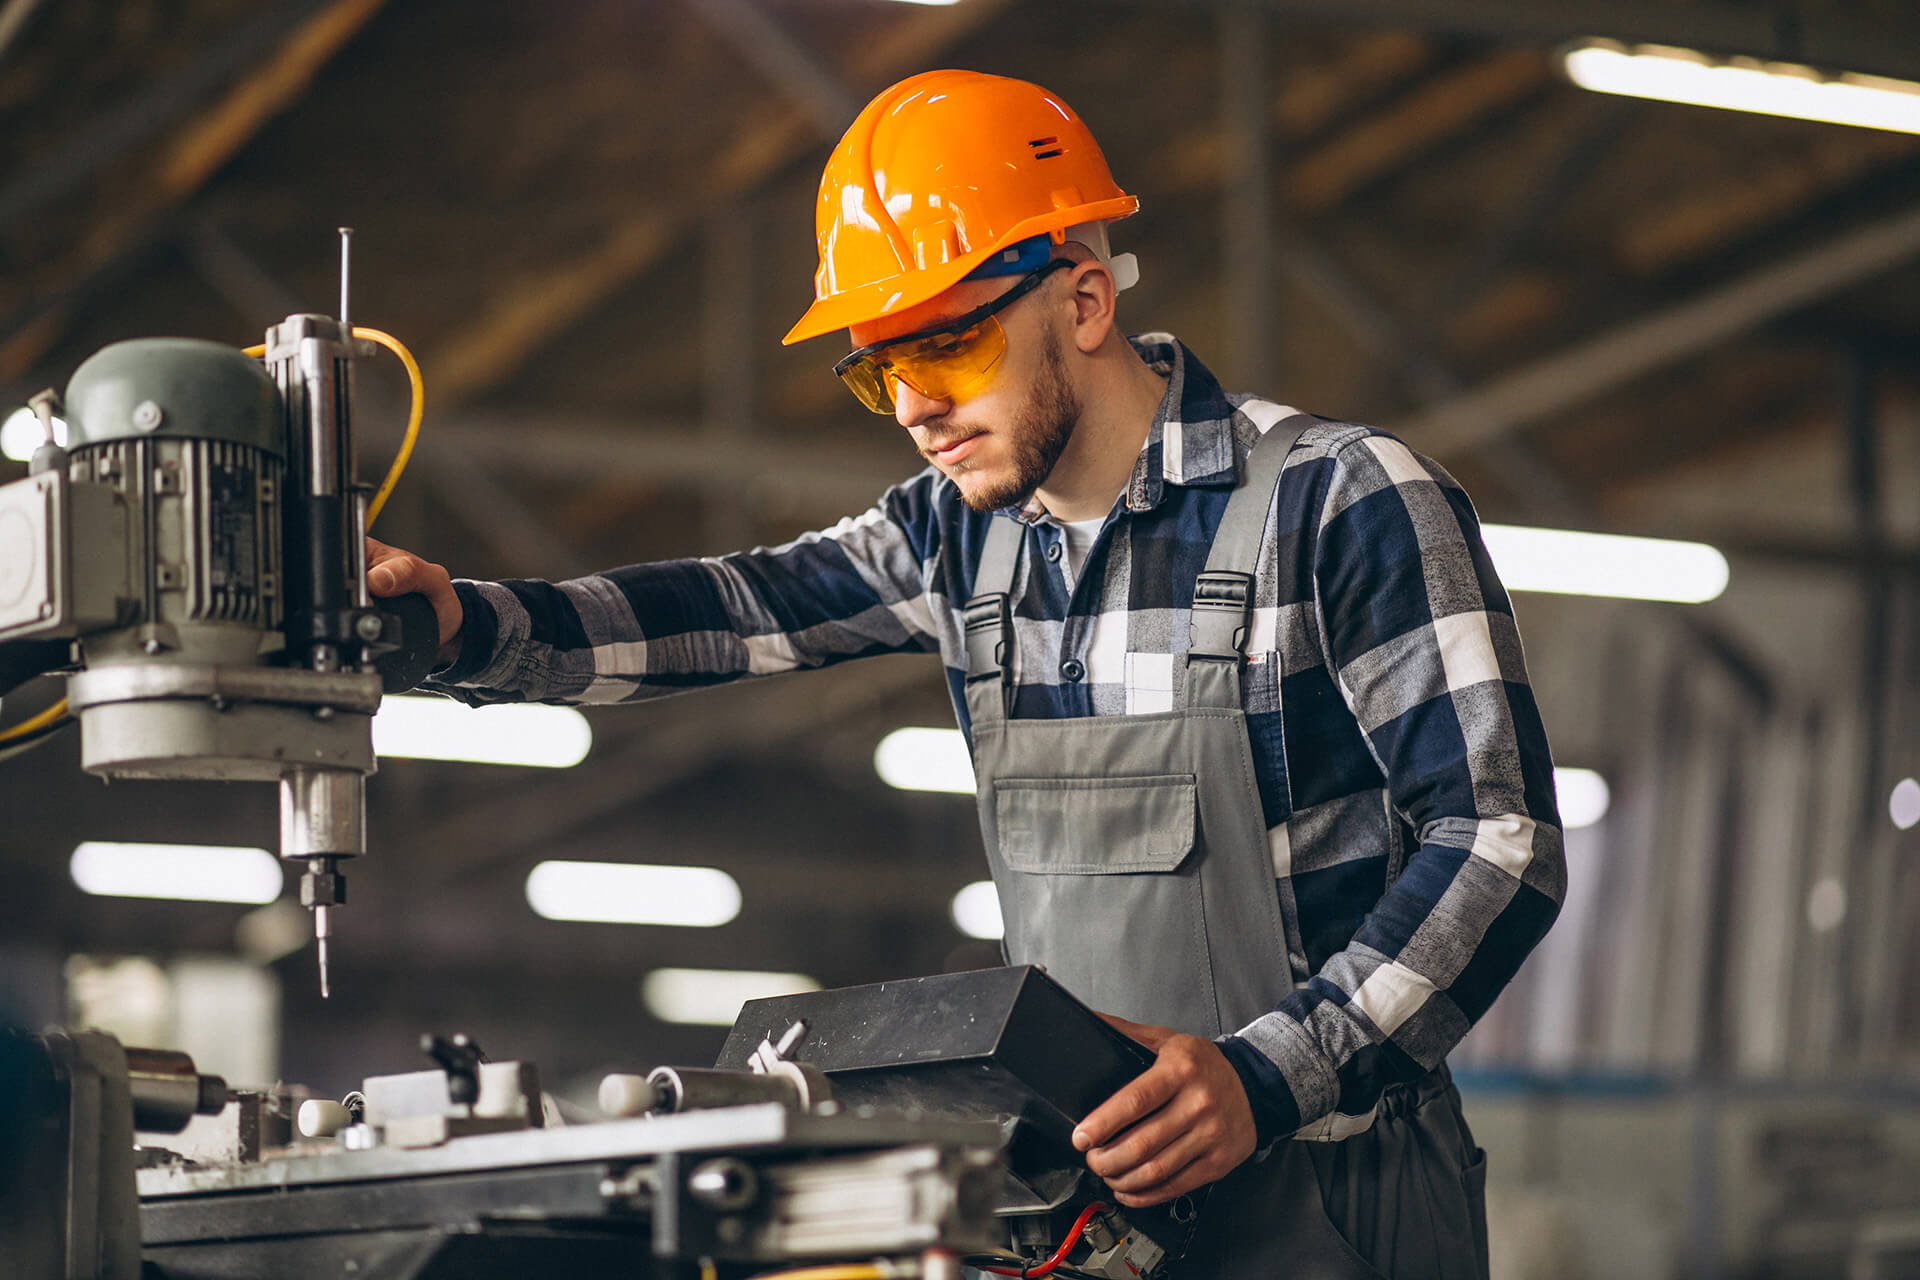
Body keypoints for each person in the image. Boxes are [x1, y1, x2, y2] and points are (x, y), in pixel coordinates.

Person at [368, 70, 1564, 1279]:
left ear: (1086, 297)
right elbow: (735, 606)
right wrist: (470, 624)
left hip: (1336, 1200)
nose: (913, 405)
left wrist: (1267, 1073)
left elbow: (1499, 841)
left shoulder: (1338, 501)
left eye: (947, 342)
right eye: (878, 366)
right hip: (1083, 1215)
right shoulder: (955, 537)